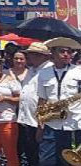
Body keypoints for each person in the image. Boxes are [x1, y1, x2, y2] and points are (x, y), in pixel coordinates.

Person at [37, 37, 81, 166]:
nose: (67, 54)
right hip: (52, 122)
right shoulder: (43, 73)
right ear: (53, 53)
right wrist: (39, 124)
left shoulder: (78, 71)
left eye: (69, 51)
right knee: (46, 161)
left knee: (71, 161)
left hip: (75, 122)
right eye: (62, 51)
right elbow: (42, 99)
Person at [18, 43, 52, 166]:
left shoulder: (49, 70)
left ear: (40, 56)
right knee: (30, 154)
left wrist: (41, 124)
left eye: (30, 55)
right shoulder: (31, 70)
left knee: (42, 157)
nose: (28, 57)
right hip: (27, 119)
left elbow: (47, 98)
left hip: (40, 122)